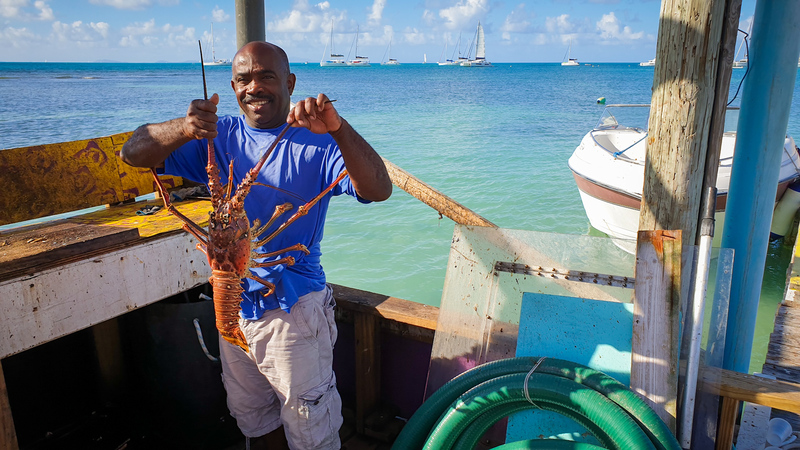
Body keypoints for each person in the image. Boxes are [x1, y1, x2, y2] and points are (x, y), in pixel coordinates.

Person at [120, 41, 392, 450]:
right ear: (232, 86)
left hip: (293, 314)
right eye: (244, 78)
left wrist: (338, 127)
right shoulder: (217, 136)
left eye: (267, 76)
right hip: (231, 315)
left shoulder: (317, 142)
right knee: (255, 422)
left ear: (289, 82)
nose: (255, 87)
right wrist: (184, 127)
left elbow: (379, 188)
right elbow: (132, 154)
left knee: (310, 433)